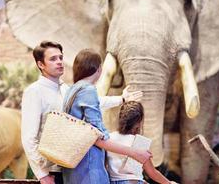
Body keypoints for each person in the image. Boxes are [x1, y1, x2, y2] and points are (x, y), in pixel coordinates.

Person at [21, 41, 143, 184]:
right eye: (53, 59)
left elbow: (94, 102)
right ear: (41, 64)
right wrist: (42, 175)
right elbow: (29, 138)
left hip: (71, 166)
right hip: (51, 169)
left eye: (60, 57)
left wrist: (121, 99)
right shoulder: (34, 92)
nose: (59, 62)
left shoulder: (67, 89)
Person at [61, 49, 152, 184]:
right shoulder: (88, 90)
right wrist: (134, 152)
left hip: (72, 165)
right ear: (98, 69)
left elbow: (99, 103)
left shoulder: (72, 90)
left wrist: (122, 99)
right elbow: (98, 135)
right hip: (89, 166)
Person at [107, 101, 176, 184]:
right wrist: (169, 183)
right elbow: (152, 172)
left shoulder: (109, 138)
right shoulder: (140, 141)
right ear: (139, 122)